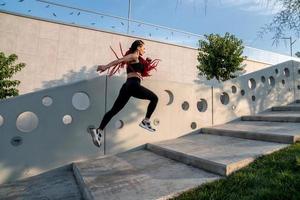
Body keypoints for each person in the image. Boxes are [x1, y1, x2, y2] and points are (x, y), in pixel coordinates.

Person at [89, 40, 159, 148]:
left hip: (127, 87)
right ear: (138, 47)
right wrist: (105, 66)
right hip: (133, 85)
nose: (145, 50)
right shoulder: (133, 56)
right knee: (154, 98)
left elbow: (141, 71)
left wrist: (147, 64)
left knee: (114, 110)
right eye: (143, 48)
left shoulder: (138, 59)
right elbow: (120, 60)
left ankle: (98, 131)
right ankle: (146, 121)